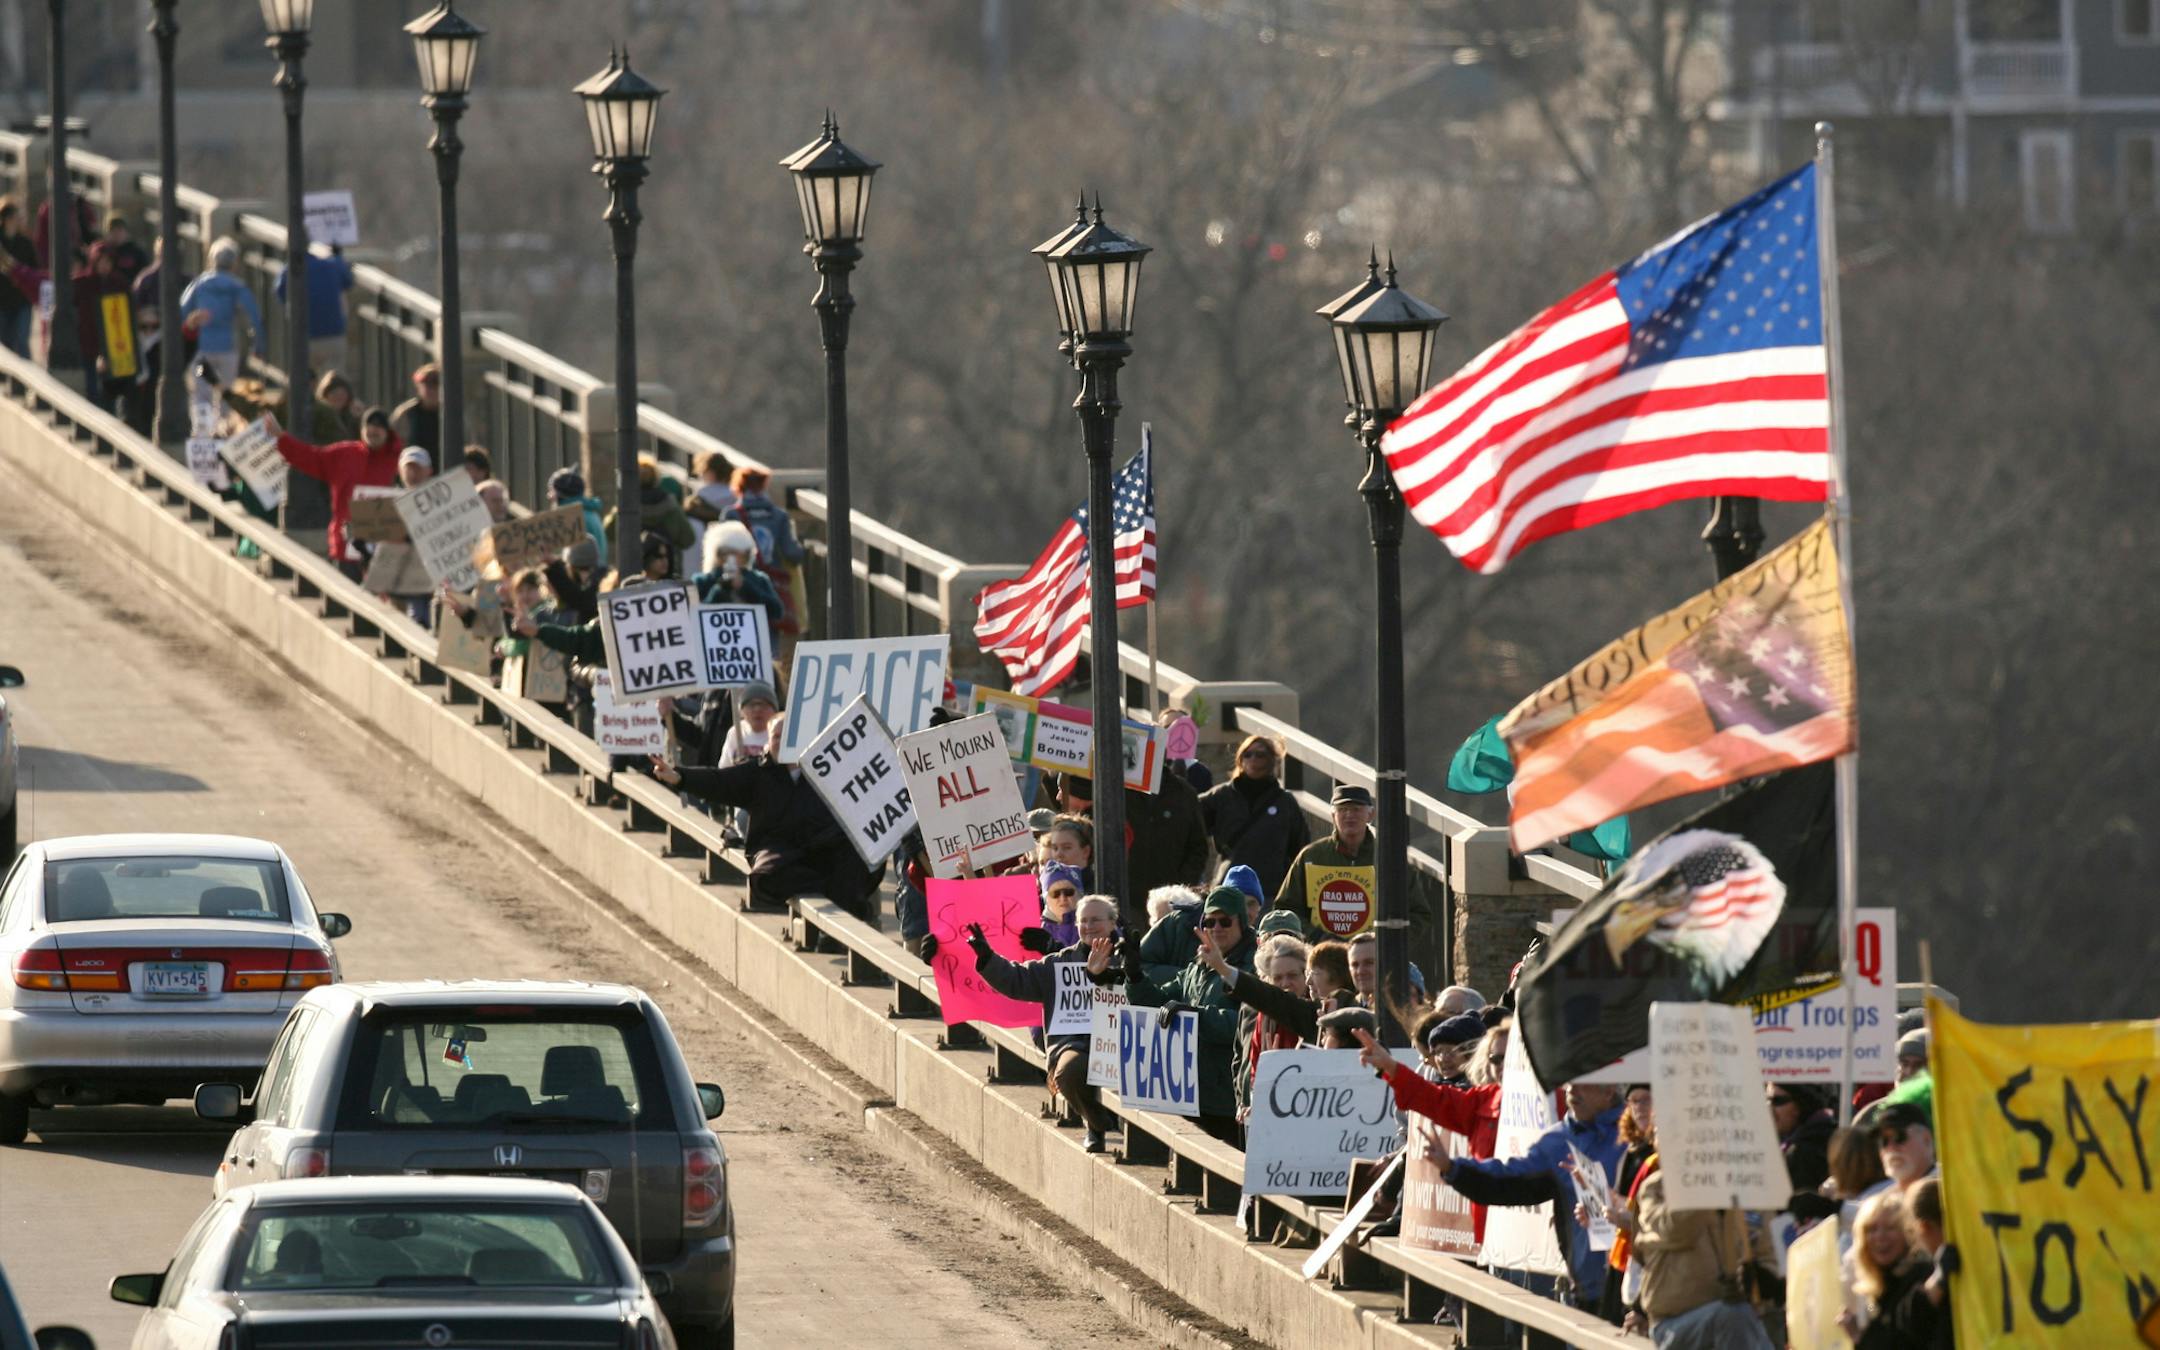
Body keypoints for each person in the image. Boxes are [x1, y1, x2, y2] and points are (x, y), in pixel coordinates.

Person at [951, 894, 1121, 1152]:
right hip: (1074, 1044)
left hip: (1119, 1042)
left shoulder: (1128, 958)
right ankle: (1097, 1125)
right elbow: (1017, 979)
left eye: (1096, 920)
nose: (1089, 926)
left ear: (1112, 923)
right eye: (1083, 921)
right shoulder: (1059, 963)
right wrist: (988, 958)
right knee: (1070, 1070)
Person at [649, 740, 881, 923]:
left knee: (861, 861)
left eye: (788, 735)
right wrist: (680, 777)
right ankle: (826, 890)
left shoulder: (828, 770)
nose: (783, 741)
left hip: (822, 848)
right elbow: (719, 781)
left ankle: (845, 910)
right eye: (777, 736)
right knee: (768, 877)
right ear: (768, 742)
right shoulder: (758, 772)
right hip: (778, 851)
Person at [1445, 1081, 1626, 1311]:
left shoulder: (1638, 1133)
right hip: (1588, 1291)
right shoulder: (1558, 1140)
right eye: (1569, 1084)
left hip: (1643, 1289)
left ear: (1608, 1091)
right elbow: (1512, 1180)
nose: (1571, 1090)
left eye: (1582, 1084)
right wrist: (1454, 1168)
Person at [1112, 884, 1255, 1145]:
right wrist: (1134, 975)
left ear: (1242, 923)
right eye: (1209, 921)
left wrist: (1196, 1016)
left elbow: (1244, 1026)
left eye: (1225, 921)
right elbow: (1157, 1001)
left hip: (1230, 1098)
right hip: (1192, 1092)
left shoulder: (1253, 968)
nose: (1216, 928)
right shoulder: (1197, 966)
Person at [1623, 1158, 1774, 1347]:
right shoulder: (1656, 1188)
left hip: (1742, 1318)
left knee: (1752, 1319)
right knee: (1732, 1316)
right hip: (1675, 1322)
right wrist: (1706, 1185)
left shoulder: (1749, 1189)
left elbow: (1768, 1250)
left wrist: (1763, 1277)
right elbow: (1675, 1230)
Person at [267, 406, 402, 575]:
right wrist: (282, 439)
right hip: (346, 547)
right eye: (369, 426)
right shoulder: (345, 454)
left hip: (385, 551)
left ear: (387, 432)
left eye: (379, 427)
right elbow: (310, 457)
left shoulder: (400, 460)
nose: (373, 431)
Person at [1198, 734, 1310, 898]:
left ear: (1272, 760)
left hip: (1270, 891)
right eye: (1247, 754)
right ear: (1240, 759)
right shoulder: (1222, 796)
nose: (1253, 759)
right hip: (1229, 886)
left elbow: (1301, 848)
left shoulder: (1285, 802)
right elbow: (1191, 823)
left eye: (1260, 755)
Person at [1274, 782, 1377, 937]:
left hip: (1374, 956)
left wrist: (1384, 943)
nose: (1349, 815)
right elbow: (1285, 908)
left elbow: (1418, 912)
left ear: (1370, 815)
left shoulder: (1388, 858)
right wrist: (1316, 937)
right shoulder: (1311, 856)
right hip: (1320, 955)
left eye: (1356, 809)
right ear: (1333, 816)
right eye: (1342, 809)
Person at [1840, 1189, 1938, 1348]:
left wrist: (1858, 1336)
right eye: (1872, 1229)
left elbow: (1900, 1340)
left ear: (1909, 1233)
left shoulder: (1921, 1277)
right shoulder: (1876, 1289)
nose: (1880, 1237)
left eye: (1890, 1228)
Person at [178, 237, 263, 400]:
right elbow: (254, 318)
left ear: (211, 260)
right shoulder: (238, 286)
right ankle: (223, 424)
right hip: (228, 348)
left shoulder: (199, 284)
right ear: (235, 263)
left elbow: (183, 311)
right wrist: (258, 346)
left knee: (201, 394)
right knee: (226, 394)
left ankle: (203, 424)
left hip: (201, 349)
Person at [1125, 755, 1210, 901]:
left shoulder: (1183, 792)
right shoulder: (1118, 788)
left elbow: (1198, 846)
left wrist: (1182, 885)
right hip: (1127, 895)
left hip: (1170, 897)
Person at [274, 242, 354, 373]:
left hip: (304, 335)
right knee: (334, 379)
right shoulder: (331, 265)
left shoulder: (290, 271)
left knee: (306, 381)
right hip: (333, 333)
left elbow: (280, 292)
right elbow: (348, 281)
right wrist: (337, 255)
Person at [691, 519, 784, 627]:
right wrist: (720, 590)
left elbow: (777, 612)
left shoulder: (758, 580)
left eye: (739, 554)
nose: (733, 559)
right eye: (727, 553)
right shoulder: (702, 581)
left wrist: (745, 587)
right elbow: (695, 616)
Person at [609, 456, 696, 566]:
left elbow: (609, 532)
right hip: (667, 568)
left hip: (633, 566)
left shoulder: (626, 506)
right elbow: (688, 539)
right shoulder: (670, 506)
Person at [1770, 1082, 1837, 1199]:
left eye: (1778, 1101)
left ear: (1800, 1104)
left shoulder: (1804, 1152)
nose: (1770, 1108)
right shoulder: (1828, 1132)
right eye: (1767, 1100)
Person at [1871, 1102, 1936, 1196]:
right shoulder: (1883, 1197)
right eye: (1883, 1141)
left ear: (1926, 1139)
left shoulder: (1949, 1191)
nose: (1891, 1148)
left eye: (1899, 1137)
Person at [0, 198, 37, 357]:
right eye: (15, 217)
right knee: (5, 342)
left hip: (23, 299)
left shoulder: (25, 243)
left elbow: (35, 269)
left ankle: (23, 381)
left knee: (22, 341)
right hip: (2, 300)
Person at [549, 467, 609, 559]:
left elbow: (572, 559)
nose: (549, 496)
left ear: (560, 494)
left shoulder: (572, 517)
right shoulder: (588, 512)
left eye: (552, 491)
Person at [392, 363, 442, 459]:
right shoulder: (406, 413)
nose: (430, 391)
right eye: (426, 386)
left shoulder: (450, 414)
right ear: (418, 388)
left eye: (435, 386)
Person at [309, 371, 361, 447]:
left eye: (342, 394)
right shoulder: (318, 418)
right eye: (334, 393)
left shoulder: (352, 419)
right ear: (325, 396)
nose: (339, 398)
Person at [1038, 863, 1084, 947]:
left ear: (1079, 894)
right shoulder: (1037, 930)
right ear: (1046, 898)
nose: (1062, 898)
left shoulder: (1092, 923)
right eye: (1055, 894)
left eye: (1068, 892)